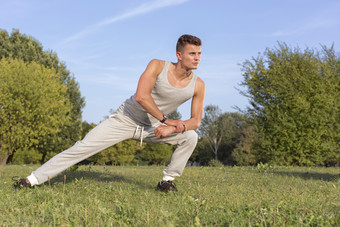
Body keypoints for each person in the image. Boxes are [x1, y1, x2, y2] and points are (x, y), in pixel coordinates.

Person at [13, 34, 206, 192]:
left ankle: (167, 182)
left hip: (152, 127)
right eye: (192, 53)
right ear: (179, 55)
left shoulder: (198, 85)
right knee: (82, 147)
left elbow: (196, 120)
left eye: (199, 53)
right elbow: (141, 97)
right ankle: (31, 180)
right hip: (125, 119)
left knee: (190, 136)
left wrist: (170, 129)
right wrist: (167, 120)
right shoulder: (157, 66)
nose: (197, 57)